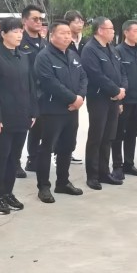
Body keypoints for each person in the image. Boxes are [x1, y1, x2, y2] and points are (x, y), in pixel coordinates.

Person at [0, 18, 38, 215]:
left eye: (20, 31)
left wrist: (33, 112)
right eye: (14, 31)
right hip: (3, 119)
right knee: (1, 157)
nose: (19, 35)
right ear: (3, 34)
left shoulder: (23, 56)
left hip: (22, 116)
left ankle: (8, 192)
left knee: (14, 157)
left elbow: (31, 86)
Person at [33, 20, 88, 202]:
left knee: (67, 146)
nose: (67, 36)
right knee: (47, 148)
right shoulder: (44, 57)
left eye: (68, 33)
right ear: (52, 35)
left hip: (72, 111)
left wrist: (80, 98)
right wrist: (73, 98)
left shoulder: (72, 55)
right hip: (52, 110)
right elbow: (49, 83)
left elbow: (83, 77)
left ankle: (63, 182)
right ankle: (43, 186)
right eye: (62, 33)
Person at [81, 17, 127, 190]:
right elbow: (96, 75)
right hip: (99, 99)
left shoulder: (112, 49)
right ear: (100, 30)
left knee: (108, 137)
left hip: (114, 100)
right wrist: (115, 90)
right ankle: (92, 175)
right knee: (96, 137)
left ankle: (104, 172)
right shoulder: (90, 50)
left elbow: (122, 72)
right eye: (110, 29)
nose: (113, 32)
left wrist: (122, 90)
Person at [111, 20, 137, 179]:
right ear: (126, 32)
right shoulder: (118, 51)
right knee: (118, 134)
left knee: (132, 134)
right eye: (135, 31)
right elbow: (117, 77)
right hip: (125, 101)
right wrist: (119, 101)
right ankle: (117, 166)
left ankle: (129, 164)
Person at [20, 5, 46, 176]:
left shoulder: (44, 43)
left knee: (39, 127)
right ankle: (15, 162)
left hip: (43, 91)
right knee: (22, 127)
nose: (39, 22)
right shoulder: (19, 41)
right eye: (35, 19)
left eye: (41, 19)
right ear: (24, 21)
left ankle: (33, 159)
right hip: (24, 90)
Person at [64, 9, 87, 165]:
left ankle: (68, 152)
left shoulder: (85, 41)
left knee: (74, 124)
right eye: (76, 22)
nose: (80, 24)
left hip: (81, 85)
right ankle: (58, 153)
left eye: (81, 21)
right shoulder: (64, 41)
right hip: (67, 86)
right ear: (68, 23)